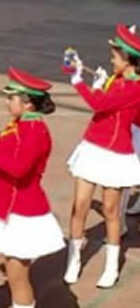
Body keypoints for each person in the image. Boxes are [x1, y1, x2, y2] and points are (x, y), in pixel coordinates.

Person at [0, 69, 65, 308]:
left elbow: (19, 167)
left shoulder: (37, 131)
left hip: (22, 210)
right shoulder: (19, 123)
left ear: (27, 103)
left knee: (17, 277)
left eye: (11, 98)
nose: (7, 102)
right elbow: (9, 146)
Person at [63, 25, 140, 289]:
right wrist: (100, 83)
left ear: (129, 61)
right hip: (93, 147)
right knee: (80, 205)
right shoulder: (117, 80)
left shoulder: (134, 87)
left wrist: (78, 81)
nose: (111, 60)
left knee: (110, 210)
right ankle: (73, 260)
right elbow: (105, 101)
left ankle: (111, 266)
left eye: (115, 57)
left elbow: (100, 104)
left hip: (116, 153)